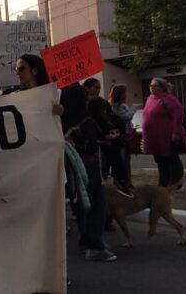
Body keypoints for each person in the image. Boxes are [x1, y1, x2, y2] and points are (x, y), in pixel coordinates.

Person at [70, 97, 119, 262]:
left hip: (81, 170)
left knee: (84, 206)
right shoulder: (91, 124)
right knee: (96, 207)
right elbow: (90, 147)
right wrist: (103, 141)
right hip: (92, 170)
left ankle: (86, 242)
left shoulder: (80, 122)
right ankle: (94, 246)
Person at [142, 78, 186, 187]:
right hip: (155, 138)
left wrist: (176, 132)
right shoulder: (150, 99)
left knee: (171, 159)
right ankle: (163, 184)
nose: (152, 88)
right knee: (160, 161)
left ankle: (175, 182)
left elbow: (178, 115)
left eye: (155, 86)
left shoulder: (168, 99)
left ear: (162, 87)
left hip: (167, 136)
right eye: (151, 86)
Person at [108, 84, 136, 190]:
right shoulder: (115, 107)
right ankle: (121, 182)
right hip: (121, 138)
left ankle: (127, 181)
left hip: (127, 136)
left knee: (127, 160)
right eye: (124, 92)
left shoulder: (123, 106)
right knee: (122, 160)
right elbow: (127, 117)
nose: (126, 95)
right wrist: (133, 108)